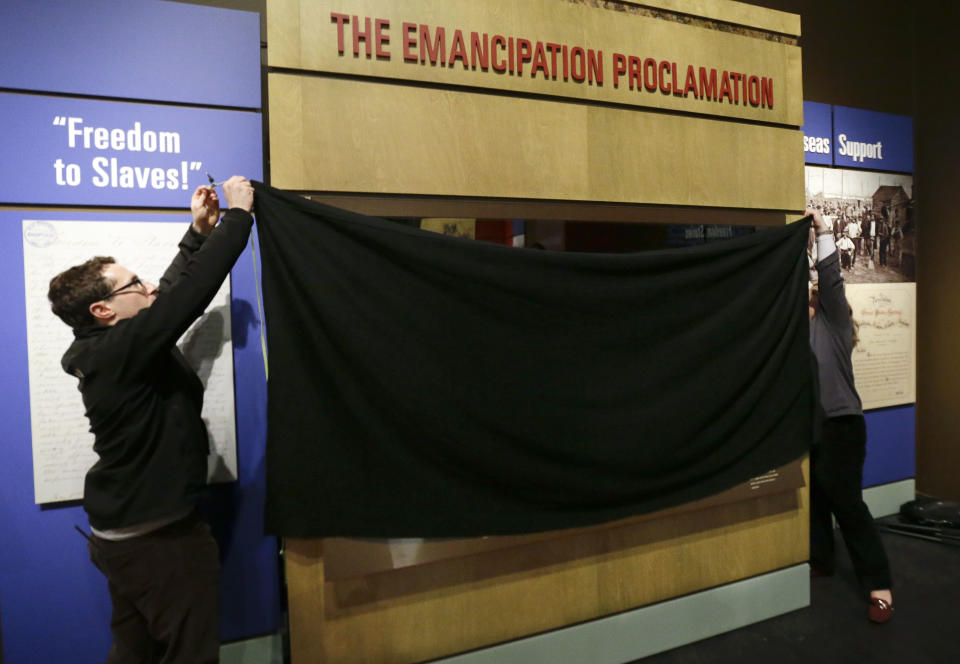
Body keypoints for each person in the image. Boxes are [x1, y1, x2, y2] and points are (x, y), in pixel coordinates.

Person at [47, 176, 255, 662]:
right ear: (103, 309)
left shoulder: (111, 347)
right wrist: (239, 217)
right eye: (134, 284)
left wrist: (198, 234)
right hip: (159, 543)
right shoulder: (120, 349)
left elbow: (166, 296)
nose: (150, 285)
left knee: (135, 650)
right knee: (191, 653)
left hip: (123, 538)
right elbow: (186, 297)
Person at [807, 208, 894, 624]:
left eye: (812, 289)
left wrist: (823, 234)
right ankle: (821, 560)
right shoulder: (797, 328)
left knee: (847, 504)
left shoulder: (834, 322)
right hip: (809, 426)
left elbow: (831, 279)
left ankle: (879, 586)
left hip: (842, 425)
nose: (810, 291)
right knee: (816, 500)